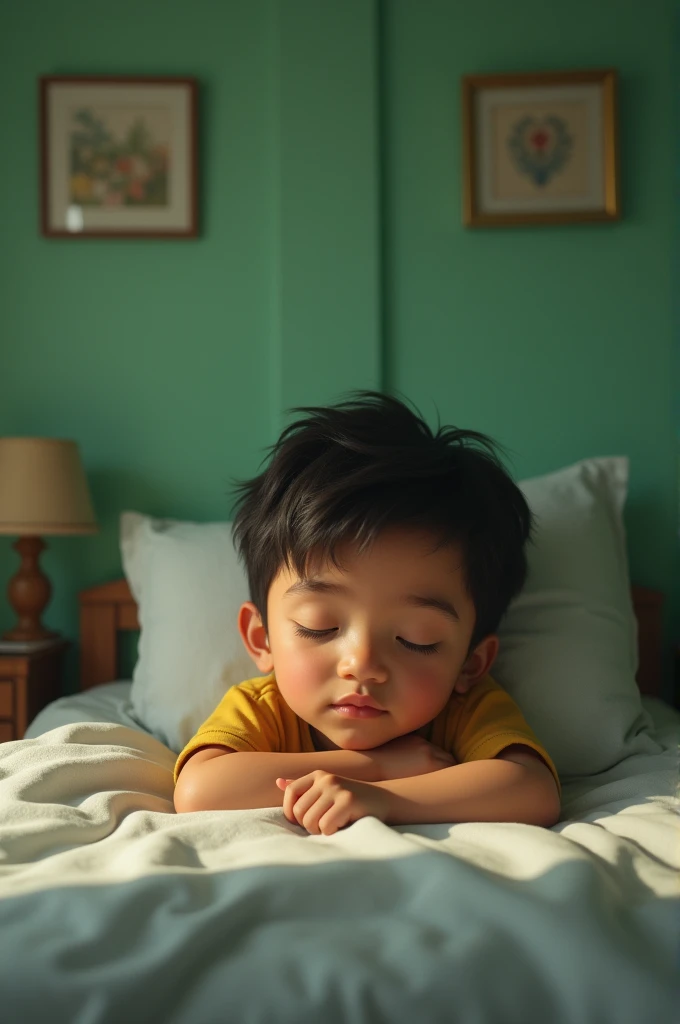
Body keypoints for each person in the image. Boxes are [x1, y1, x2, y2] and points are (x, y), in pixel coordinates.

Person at [173, 391, 561, 834]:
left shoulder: (465, 709)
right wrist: (378, 767)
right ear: (261, 639)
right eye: (320, 626)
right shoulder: (264, 708)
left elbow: (532, 790)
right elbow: (199, 790)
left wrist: (385, 799)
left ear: (470, 664)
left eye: (417, 639)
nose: (362, 664)